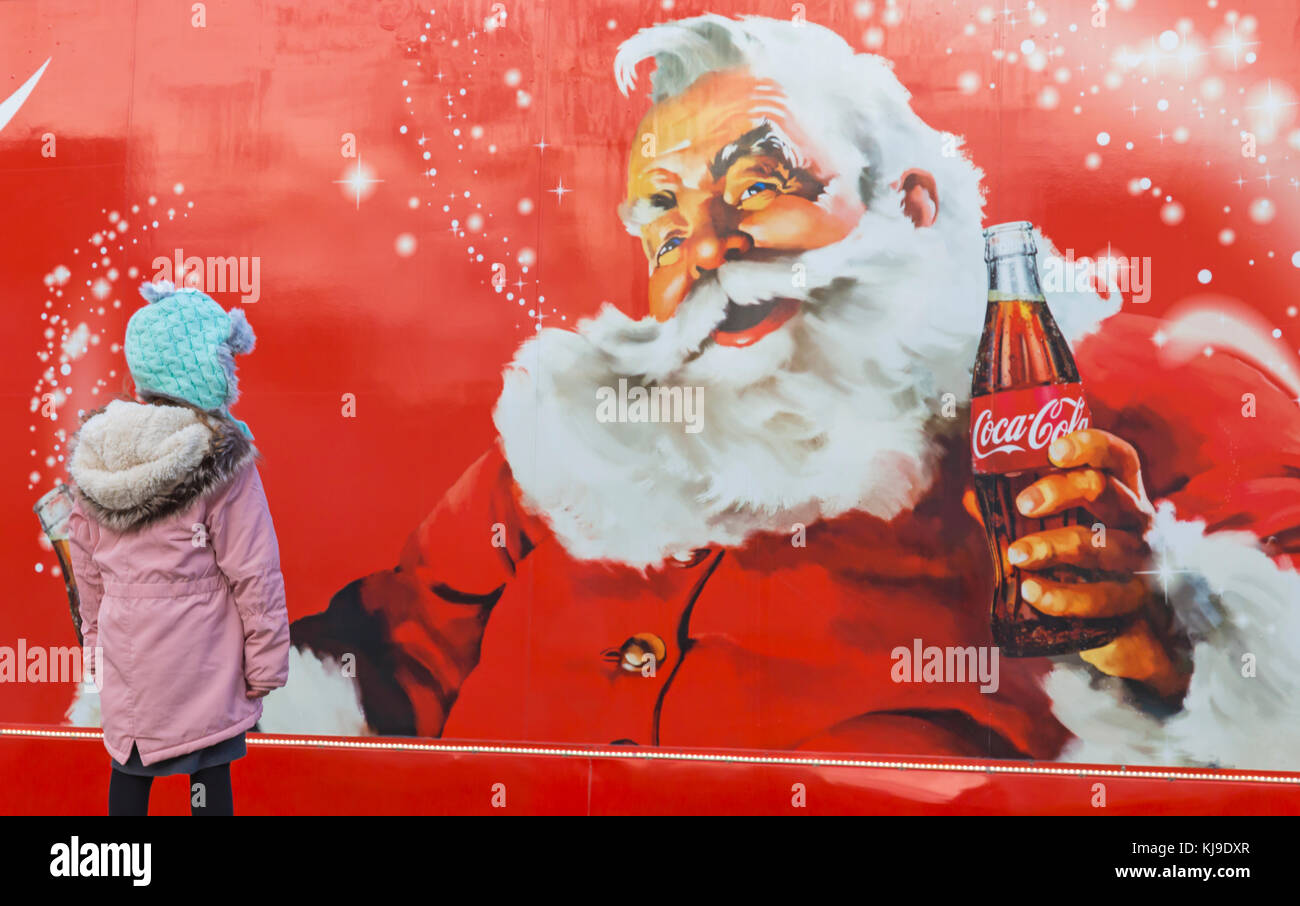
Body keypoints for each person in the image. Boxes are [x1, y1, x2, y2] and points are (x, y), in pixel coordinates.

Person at [266, 15, 1300, 768]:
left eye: (757, 187)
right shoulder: (585, 420)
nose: (706, 250)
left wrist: (1162, 640)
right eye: (666, 220)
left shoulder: (1116, 382)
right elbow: (384, 662)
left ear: (908, 199)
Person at [66, 280, 289, 816]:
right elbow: (254, 571)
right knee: (208, 775)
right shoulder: (220, 457)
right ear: (208, 370)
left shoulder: (98, 451)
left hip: (131, 666)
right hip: (202, 669)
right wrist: (265, 664)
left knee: (129, 775)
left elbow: (87, 573)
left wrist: (96, 650)